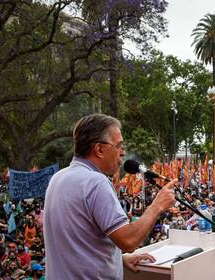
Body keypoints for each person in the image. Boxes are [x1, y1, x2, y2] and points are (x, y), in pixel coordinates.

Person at [44, 114, 177, 279]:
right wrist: (157, 206)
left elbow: (78, 244)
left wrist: (118, 260)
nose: (123, 152)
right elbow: (128, 241)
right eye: (119, 146)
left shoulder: (58, 178)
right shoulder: (95, 182)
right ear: (99, 149)